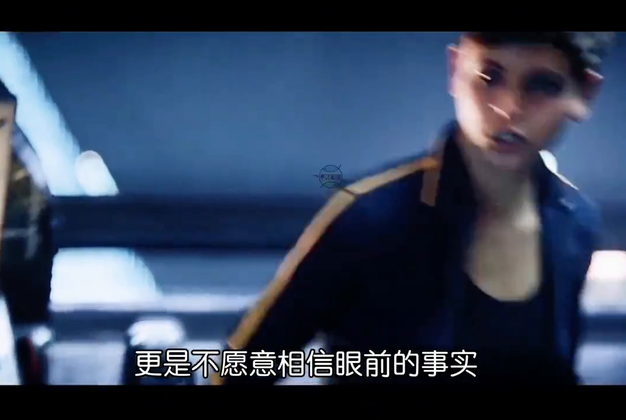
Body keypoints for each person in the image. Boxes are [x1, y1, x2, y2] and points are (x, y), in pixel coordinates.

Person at [212, 32, 614, 384]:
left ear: (584, 95)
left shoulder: (575, 224)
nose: (508, 107)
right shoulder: (369, 219)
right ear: (455, 69)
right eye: (489, 76)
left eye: (542, 85)